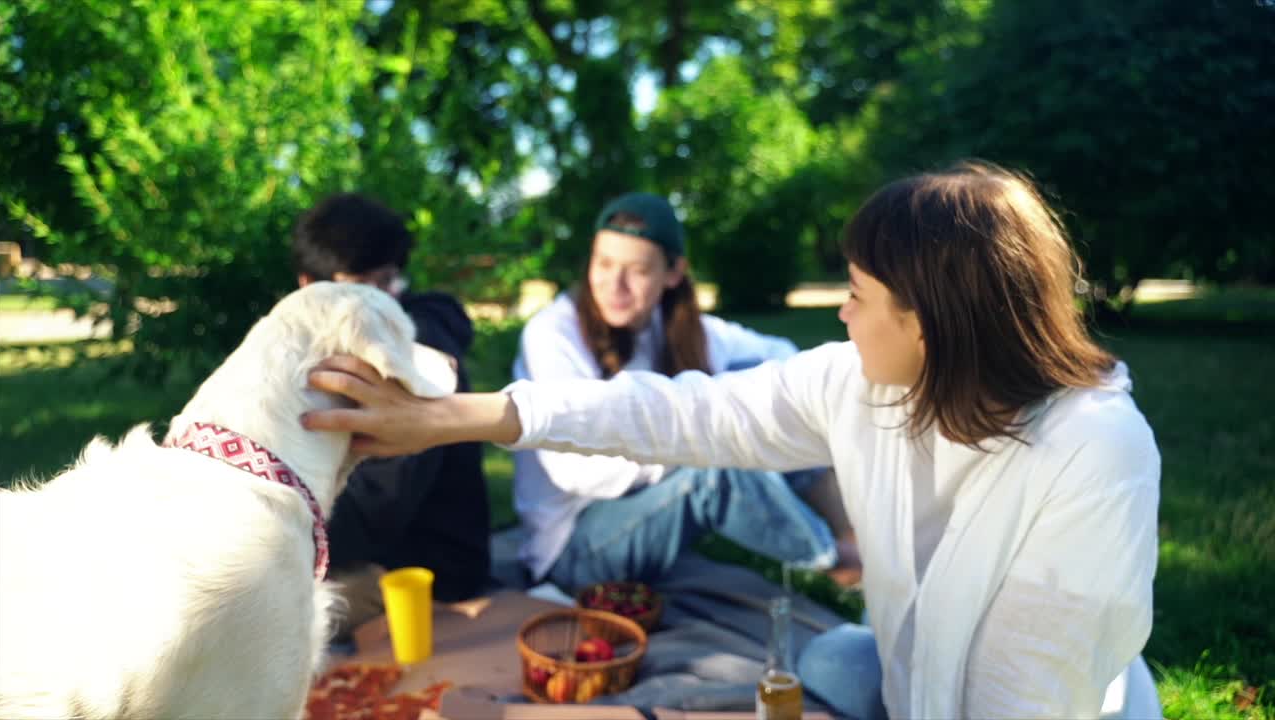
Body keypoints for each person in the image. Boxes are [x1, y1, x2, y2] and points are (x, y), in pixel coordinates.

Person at [301, 162, 1161, 718]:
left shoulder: (1096, 452)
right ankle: (834, 569)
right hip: (909, 683)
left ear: (931, 323)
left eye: (857, 292)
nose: (841, 309)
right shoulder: (862, 381)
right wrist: (456, 416)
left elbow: (1025, 700)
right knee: (829, 659)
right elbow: (685, 414)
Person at [509, 191, 837, 591]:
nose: (616, 285)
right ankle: (837, 565)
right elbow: (576, 471)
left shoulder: (676, 326)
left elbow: (782, 359)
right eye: (604, 263)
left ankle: (862, 532)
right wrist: (693, 441)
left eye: (638, 270)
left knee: (773, 399)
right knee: (713, 470)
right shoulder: (553, 334)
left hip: (650, 509)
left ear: (673, 272)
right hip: (572, 546)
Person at [291, 192, 490, 633]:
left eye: (387, 283)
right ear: (309, 287)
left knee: (250, 615)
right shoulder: (320, 348)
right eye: (363, 288)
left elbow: (377, 510)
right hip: (361, 550)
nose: (381, 303)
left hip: (423, 574)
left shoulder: (411, 353)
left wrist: (277, 539)